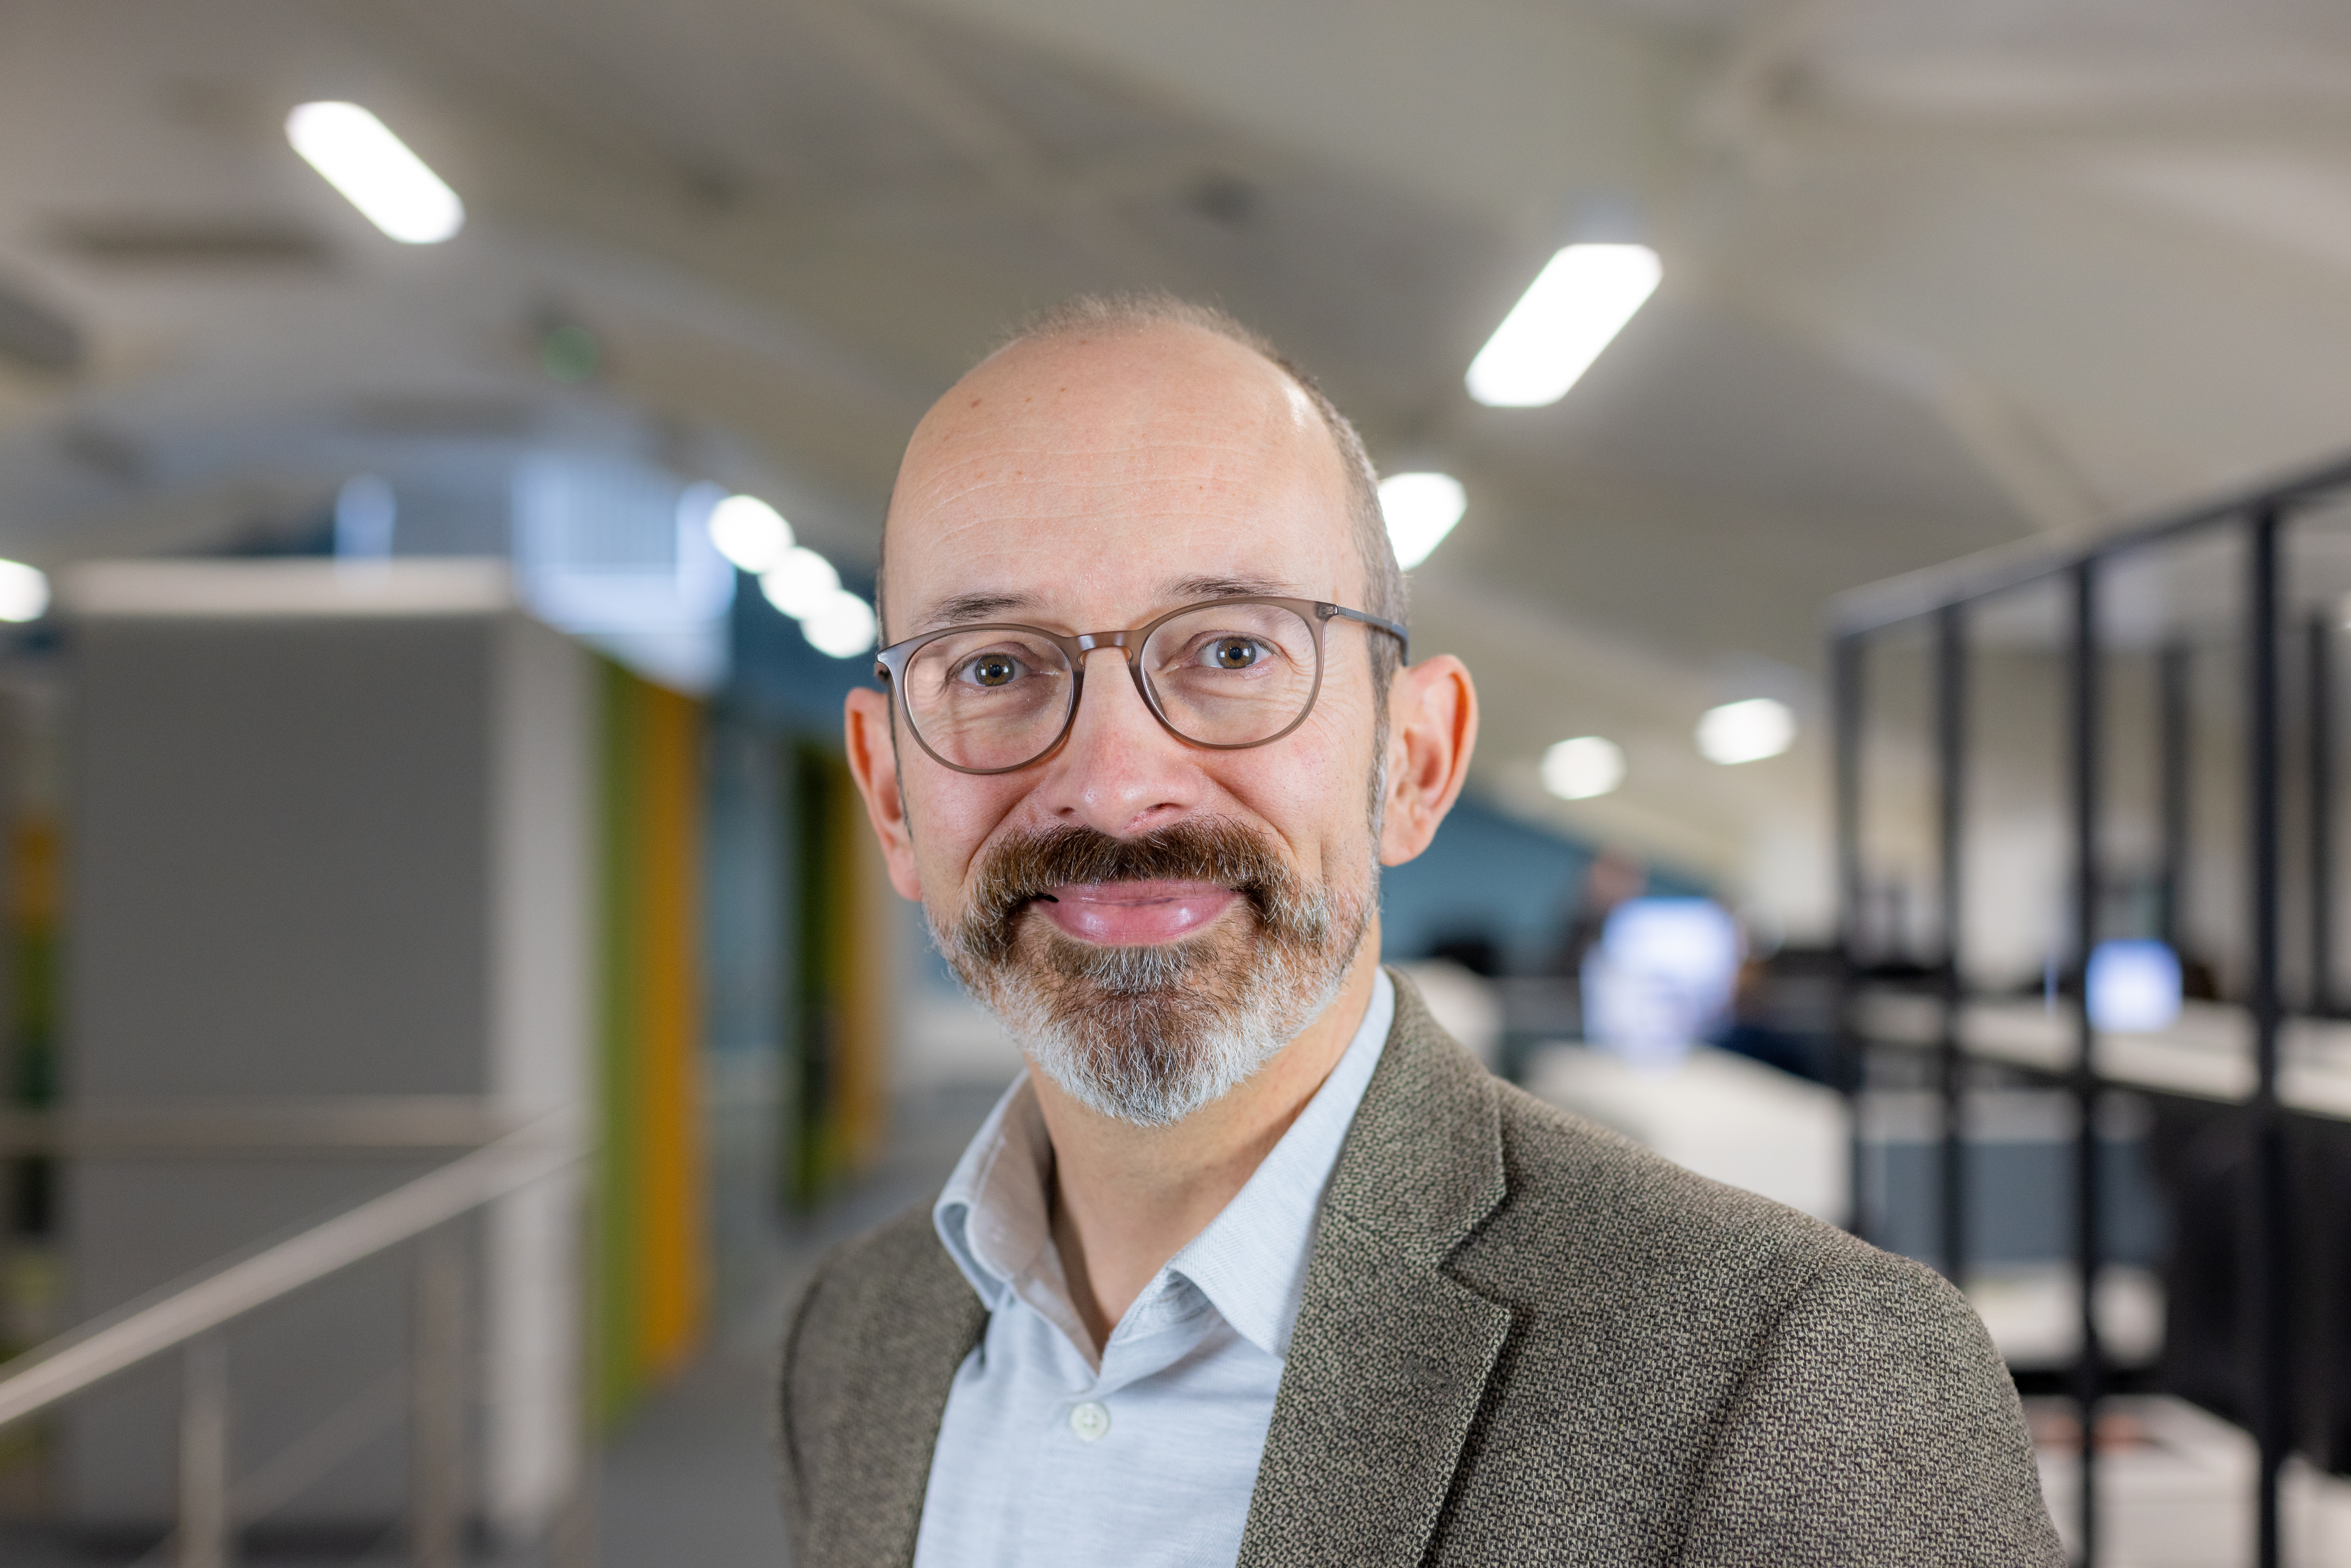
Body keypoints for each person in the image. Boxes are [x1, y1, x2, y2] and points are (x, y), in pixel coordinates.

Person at [777, 294, 2061, 1567]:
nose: (1115, 784)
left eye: (1228, 650)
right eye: (994, 667)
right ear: (891, 795)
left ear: (1413, 761)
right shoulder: (857, 1337)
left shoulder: (1791, 1378)